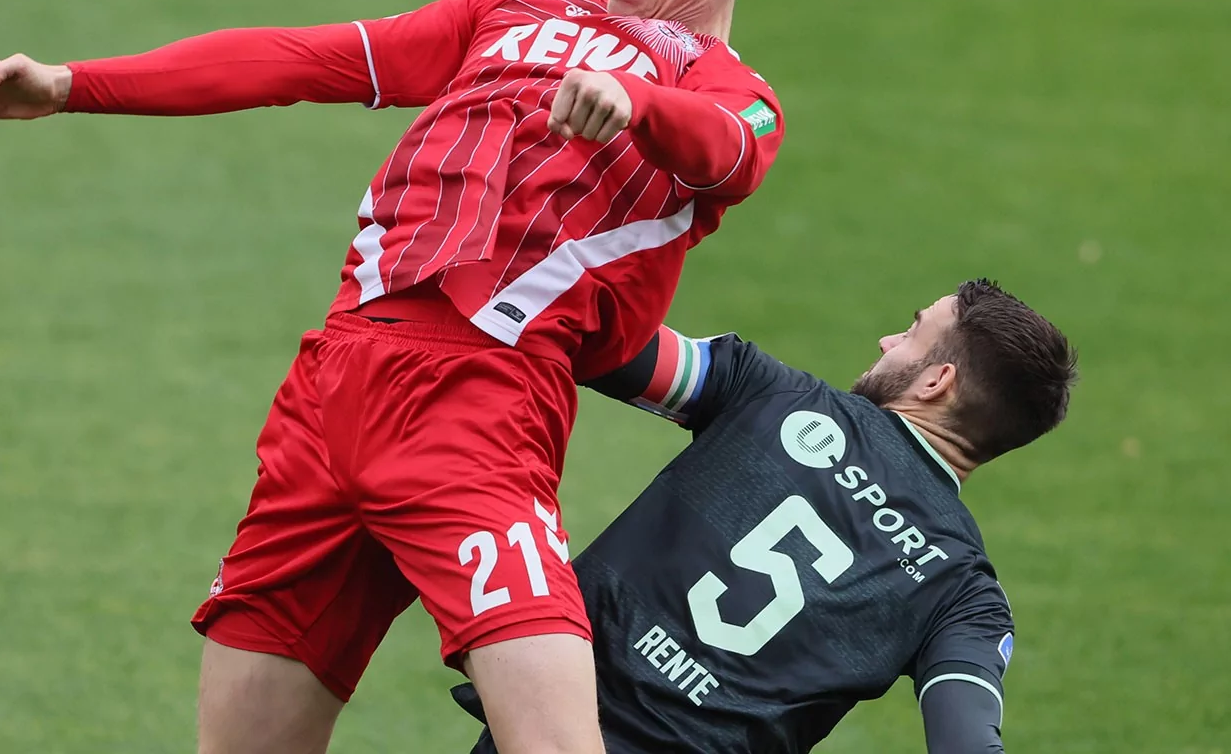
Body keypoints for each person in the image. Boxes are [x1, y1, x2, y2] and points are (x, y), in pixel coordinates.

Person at [0, 0, 787, 754]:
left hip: (475, 404)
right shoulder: (518, 7)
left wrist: (637, 104)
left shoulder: (733, 95)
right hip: (331, 392)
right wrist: (70, 83)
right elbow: (299, 59)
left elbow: (728, 151)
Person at [454, 279, 1078, 753]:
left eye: (911, 332)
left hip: (544, 717)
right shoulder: (965, 595)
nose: (888, 342)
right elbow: (966, 743)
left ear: (937, 381)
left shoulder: (770, 394)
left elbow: (590, 338)